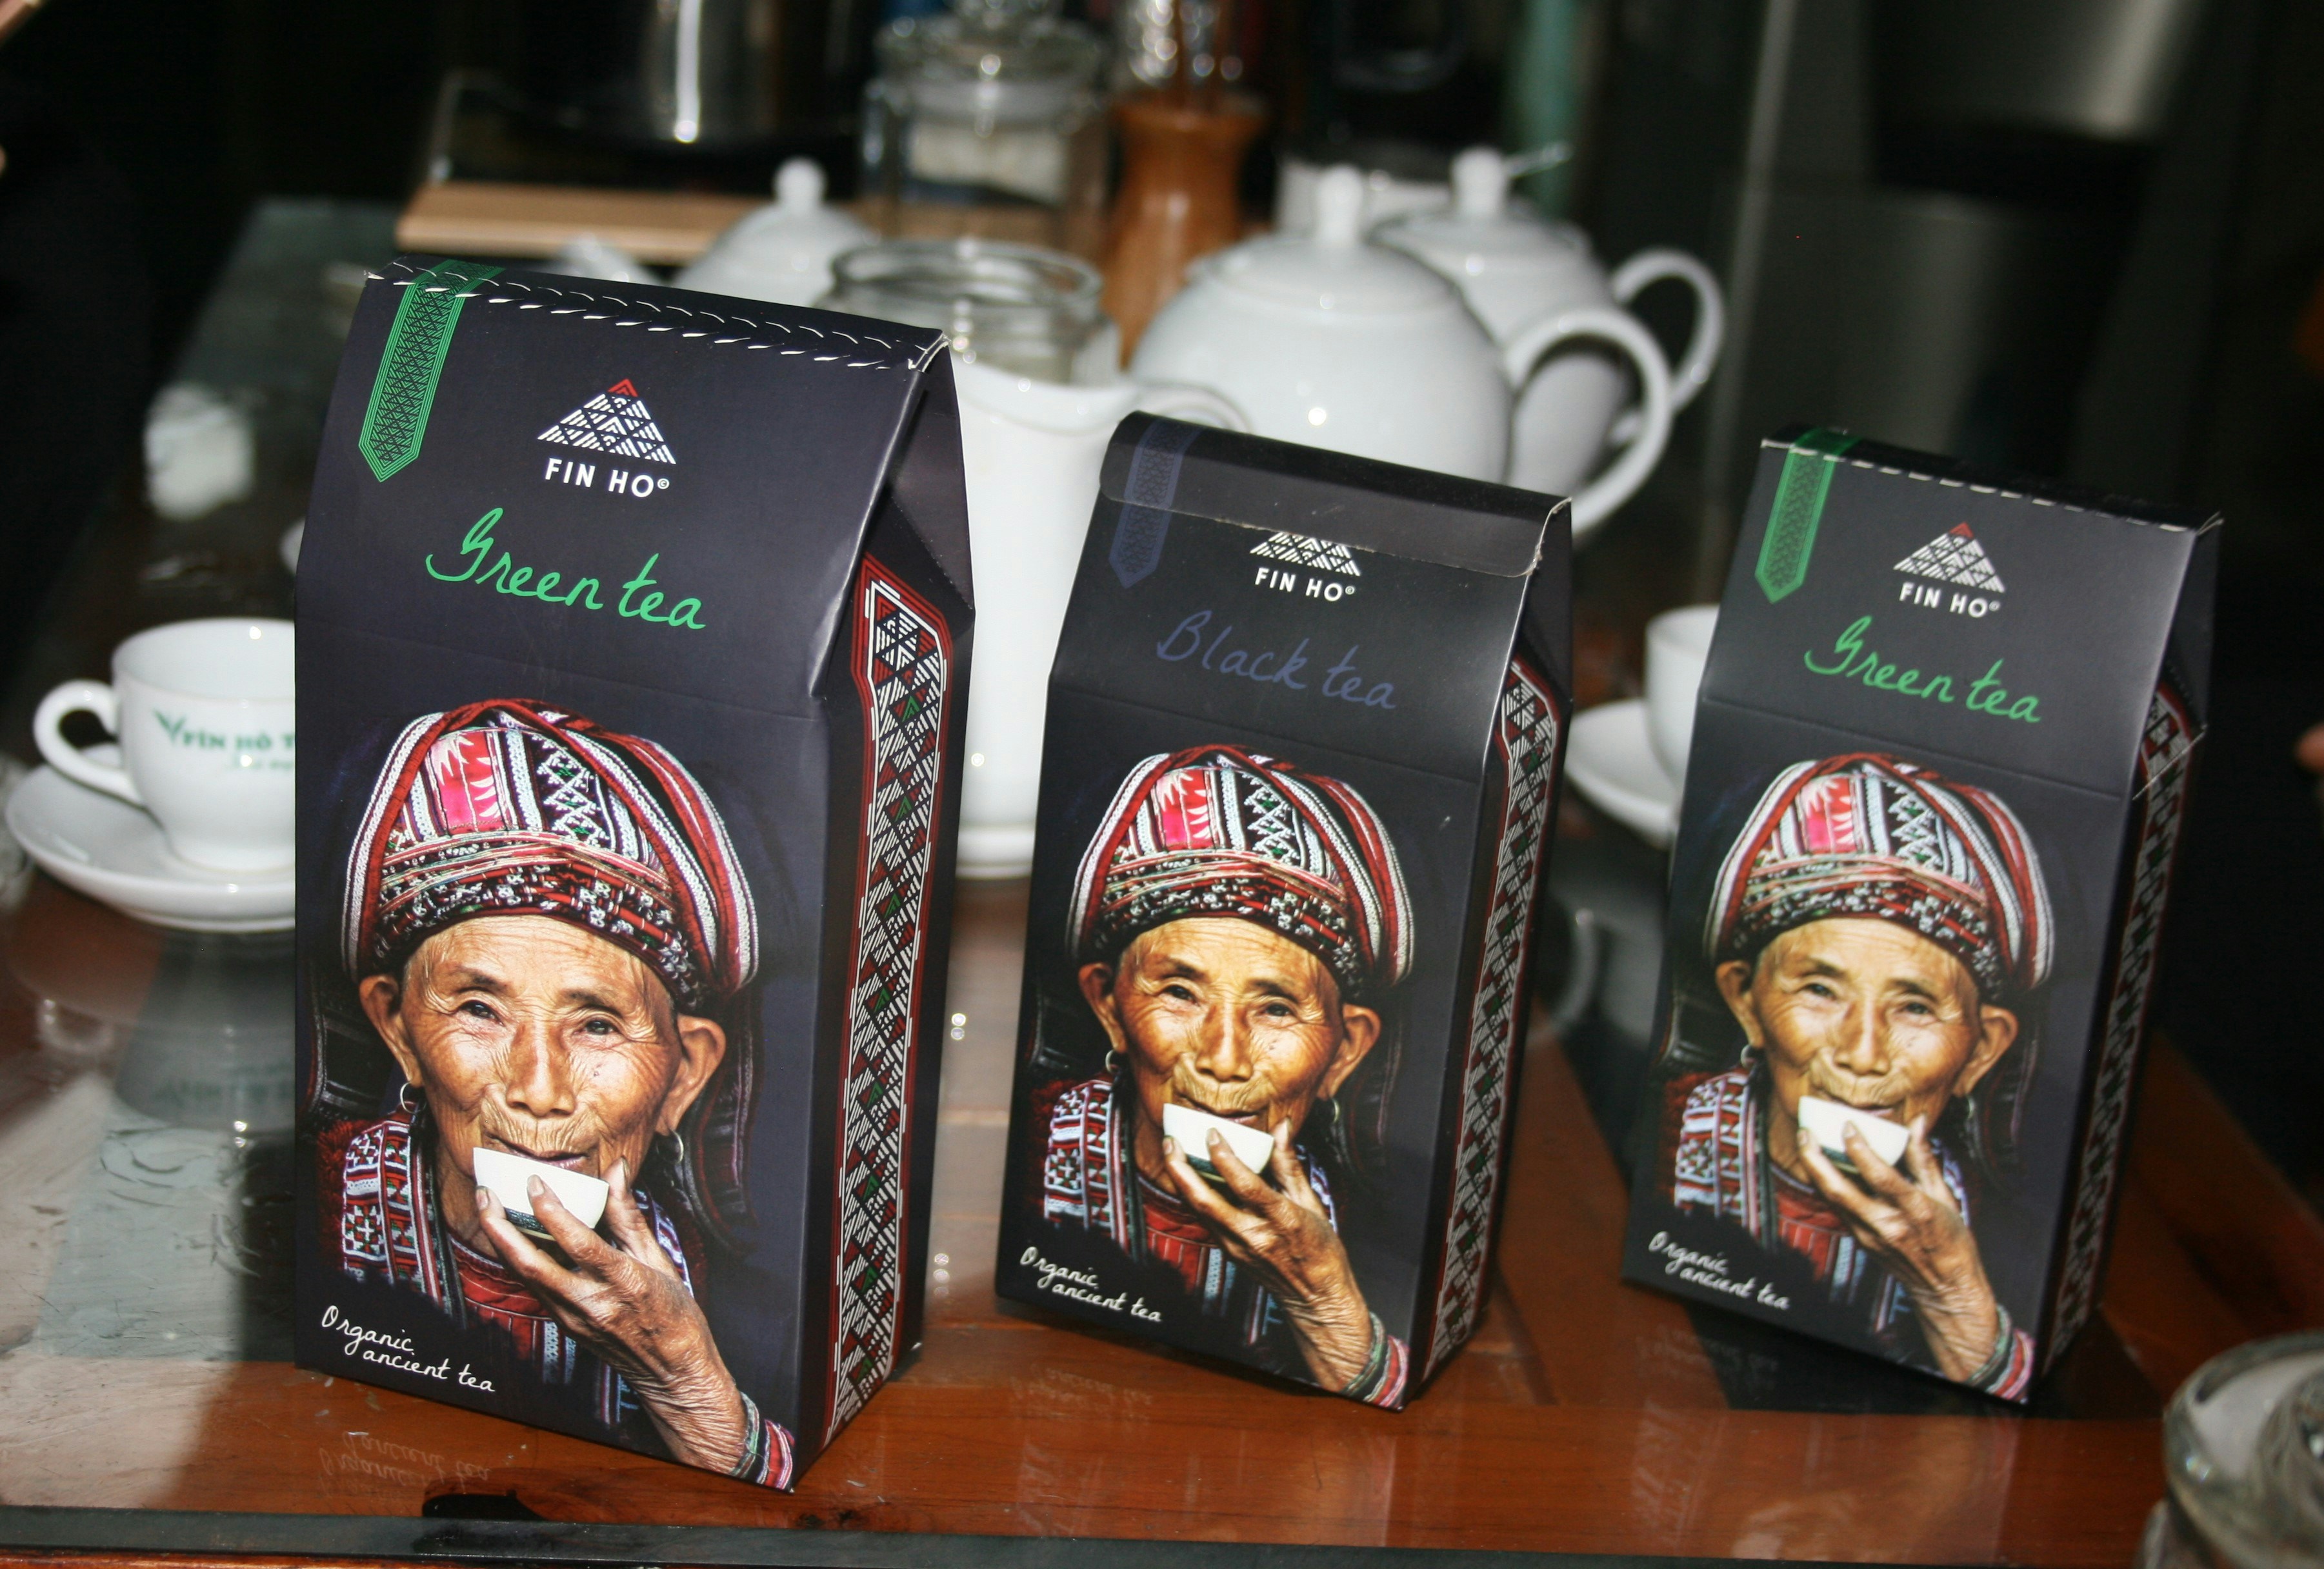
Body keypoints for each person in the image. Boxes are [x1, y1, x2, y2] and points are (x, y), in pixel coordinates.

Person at [327, 699, 792, 1486]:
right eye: (479, 1010)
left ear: (684, 1073)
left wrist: (684, 1380)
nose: (538, 1091)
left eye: (598, 1025)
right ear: (398, 1028)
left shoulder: (764, 1328)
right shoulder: (307, 1229)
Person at [1658, 754, 2051, 1397]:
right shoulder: (1656, 1151)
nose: (1862, 1055)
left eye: (1915, 1006)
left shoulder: (2009, 1245)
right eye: (1818, 989)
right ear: (1746, 1002)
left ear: (1981, 1050)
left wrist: (1953, 1295)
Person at [1034, 745, 1414, 1405]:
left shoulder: (1378, 1238)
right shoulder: (1026, 1158)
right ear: (1109, 1007)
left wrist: (1325, 1302)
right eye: (1180, 993)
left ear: (1344, 1050)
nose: (1225, 1059)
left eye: (1276, 1008)